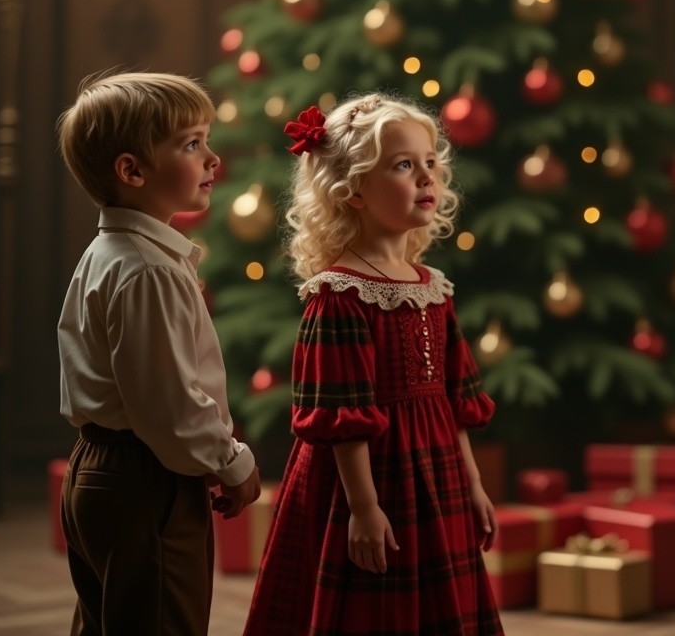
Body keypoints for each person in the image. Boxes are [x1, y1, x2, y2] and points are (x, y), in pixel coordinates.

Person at [242, 94, 503, 636]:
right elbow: (341, 413)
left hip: (438, 471)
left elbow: (457, 400)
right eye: (404, 165)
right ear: (353, 189)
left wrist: (473, 482)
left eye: (430, 162)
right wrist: (363, 507)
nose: (426, 177)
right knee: (374, 607)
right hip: (365, 478)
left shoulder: (432, 287)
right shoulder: (338, 295)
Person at [56, 71, 262, 636]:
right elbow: (168, 406)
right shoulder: (148, 271)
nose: (212, 159)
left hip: (97, 467)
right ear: (132, 170)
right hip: (145, 480)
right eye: (192, 144)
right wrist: (232, 462)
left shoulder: (108, 253)